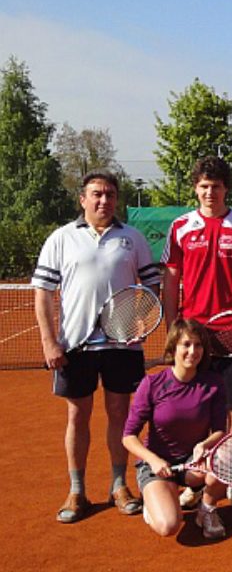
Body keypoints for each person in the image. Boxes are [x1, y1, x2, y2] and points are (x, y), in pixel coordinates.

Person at [33, 171, 161, 524]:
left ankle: (119, 485)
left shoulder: (132, 238)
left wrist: (141, 318)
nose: (103, 200)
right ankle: (77, 490)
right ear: (83, 199)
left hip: (122, 345)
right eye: (96, 194)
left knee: (120, 414)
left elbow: (151, 285)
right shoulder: (61, 238)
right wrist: (49, 341)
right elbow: (43, 292)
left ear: (116, 199)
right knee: (78, 416)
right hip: (75, 347)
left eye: (110, 194)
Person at [161, 156, 232, 507]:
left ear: (226, 189)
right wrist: (172, 326)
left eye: (216, 186)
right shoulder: (180, 227)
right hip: (194, 333)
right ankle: (198, 475)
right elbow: (172, 278)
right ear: (196, 188)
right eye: (204, 186)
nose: (210, 192)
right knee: (197, 409)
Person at [122, 320, 228, 539]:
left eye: (198, 345)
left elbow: (220, 430)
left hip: (191, 462)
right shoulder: (152, 384)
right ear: (173, 348)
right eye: (186, 344)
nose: (193, 351)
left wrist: (204, 445)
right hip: (157, 464)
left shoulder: (214, 384)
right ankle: (156, 503)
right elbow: (128, 436)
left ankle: (206, 509)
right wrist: (153, 460)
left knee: (225, 461)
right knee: (169, 526)